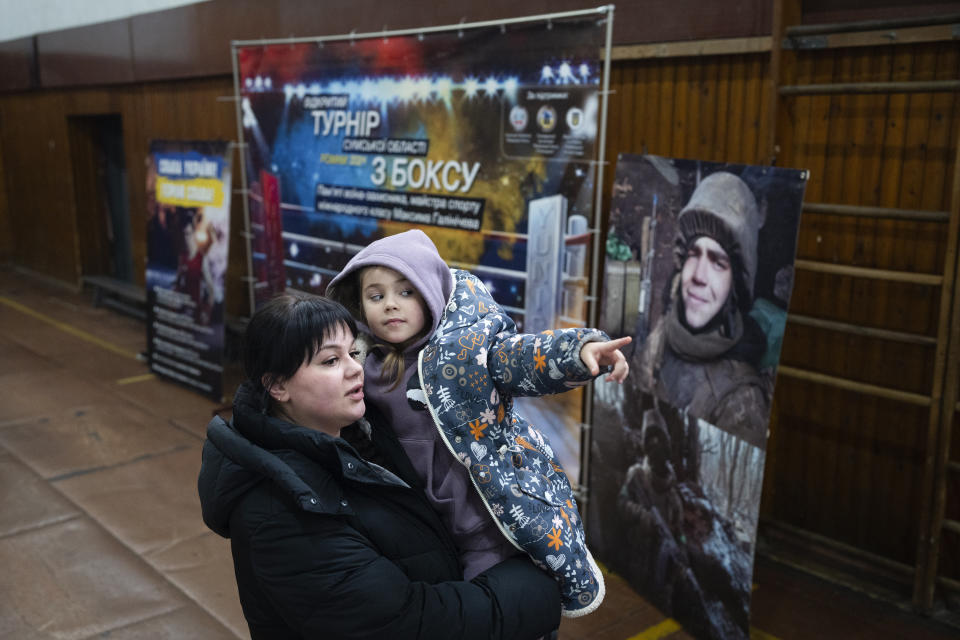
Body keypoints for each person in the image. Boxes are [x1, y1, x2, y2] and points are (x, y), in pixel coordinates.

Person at [197, 293, 563, 639]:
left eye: (353, 353)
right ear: (278, 386)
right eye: (330, 361)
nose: (356, 369)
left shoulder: (363, 433)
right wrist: (535, 587)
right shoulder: (280, 512)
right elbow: (406, 623)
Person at [326, 229, 630, 617]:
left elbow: (520, 357)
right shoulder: (363, 367)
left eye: (406, 291)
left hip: (489, 523)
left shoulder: (468, 351)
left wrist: (579, 350)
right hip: (428, 527)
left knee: (498, 615)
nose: (390, 305)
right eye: (376, 295)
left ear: (431, 294)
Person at [634, 171, 769, 447]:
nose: (699, 275)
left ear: (735, 284)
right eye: (694, 254)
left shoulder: (741, 401)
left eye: (718, 262)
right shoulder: (663, 335)